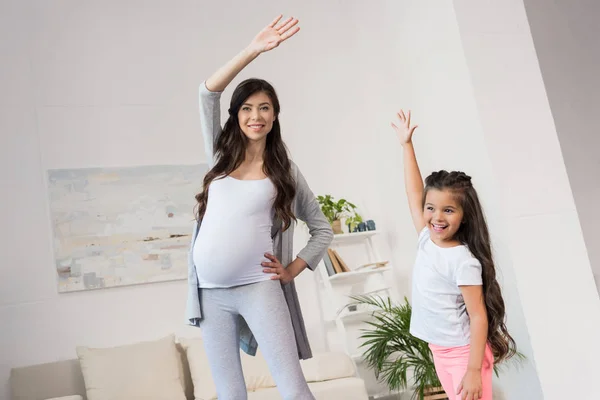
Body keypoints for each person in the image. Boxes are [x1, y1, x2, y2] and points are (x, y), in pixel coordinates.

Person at [185, 15, 333, 400]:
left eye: (265, 108)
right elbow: (206, 94)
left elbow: (322, 229)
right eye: (247, 108)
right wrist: (253, 49)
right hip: (209, 292)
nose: (256, 116)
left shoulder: (285, 171)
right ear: (236, 114)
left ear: (275, 115)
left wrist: (293, 269)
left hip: (258, 287)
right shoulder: (219, 156)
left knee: (294, 389)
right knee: (230, 394)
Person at [391, 110, 516, 400]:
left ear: (464, 216)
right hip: (440, 349)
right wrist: (407, 146)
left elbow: (478, 316)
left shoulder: (463, 261)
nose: (436, 217)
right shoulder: (426, 240)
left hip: (463, 354)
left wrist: (473, 370)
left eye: (448, 210)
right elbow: (414, 195)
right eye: (431, 208)